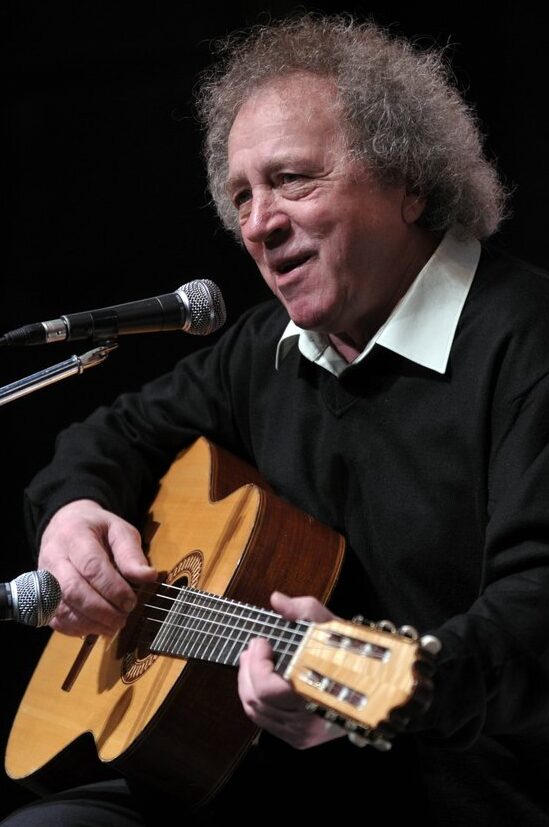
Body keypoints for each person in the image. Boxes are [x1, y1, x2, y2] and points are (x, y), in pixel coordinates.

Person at [3, 11, 549, 826]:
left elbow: (535, 613)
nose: (258, 223)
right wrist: (72, 514)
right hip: (255, 775)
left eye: (291, 179)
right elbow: (110, 435)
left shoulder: (525, 343)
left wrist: (372, 692)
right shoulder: (264, 352)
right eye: (241, 196)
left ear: (410, 181)